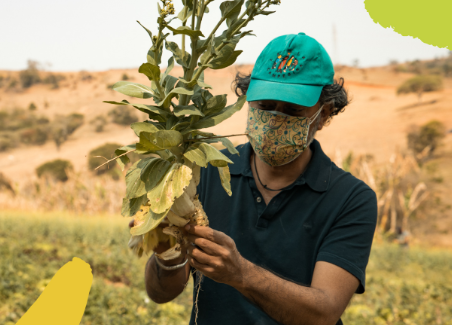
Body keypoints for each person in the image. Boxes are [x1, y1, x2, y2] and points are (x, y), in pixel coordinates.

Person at [129, 32, 378, 325]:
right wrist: (167, 254)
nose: (274, 118)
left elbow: (323, 313)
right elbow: (161, 293)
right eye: (265, 106)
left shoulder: (350, 199)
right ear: (248, 101)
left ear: (323, 114)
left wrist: (241, 274)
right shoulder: (205, 169)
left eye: (292, 110)